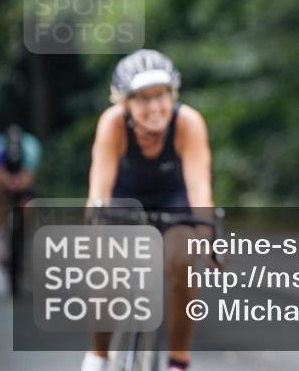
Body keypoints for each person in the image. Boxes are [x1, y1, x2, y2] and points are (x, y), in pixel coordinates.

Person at [81, 49, 214, 371]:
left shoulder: (188, 123)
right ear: (124, 102)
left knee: (184, 261)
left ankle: (178, 361)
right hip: (124, 202)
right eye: (142, 98)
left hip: (174, 203)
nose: (155, 107)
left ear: (173, 94)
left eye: (161, 95)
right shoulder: (112, 124)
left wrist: (210, 238)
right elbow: (99, 191)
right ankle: (98, 356)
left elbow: (200, 191)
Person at [0, 124, 41, 295]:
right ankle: (0, 236)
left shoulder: (30, 145)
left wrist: (19, 184)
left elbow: (30, 174)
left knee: (29, 207)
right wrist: (8, 184)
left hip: (23, 186)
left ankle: (26, 234)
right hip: (4, 187)